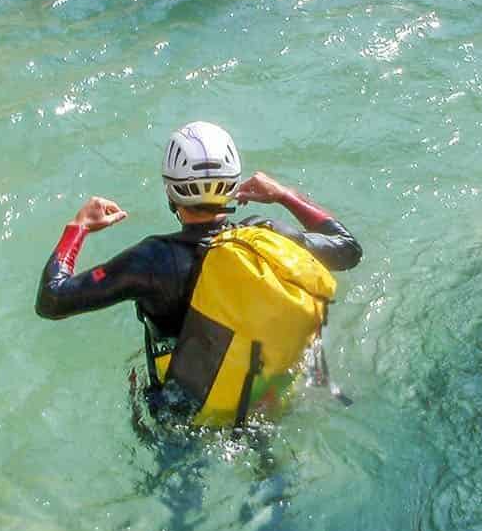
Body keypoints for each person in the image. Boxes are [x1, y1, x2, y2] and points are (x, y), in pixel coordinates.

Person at [35, 121, 361, 427]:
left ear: (170, 191)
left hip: (183, 411)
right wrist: (284, 195)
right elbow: (347, 248)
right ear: (233, 184)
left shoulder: (152, 261)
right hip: (257, 398)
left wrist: (77, 228)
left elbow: (52, 299)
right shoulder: (268, 236)